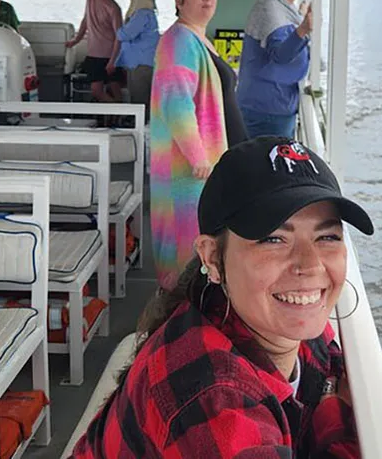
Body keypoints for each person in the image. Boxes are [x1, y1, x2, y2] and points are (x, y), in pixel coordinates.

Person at [71, 136, 365, 457]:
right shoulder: (213, 399)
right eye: (273, 239)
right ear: (212, 257)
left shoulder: (282, 316)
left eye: (327, 236)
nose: (310, 265)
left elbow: (328, 367)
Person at [147, 0, 247, 290]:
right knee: (187, 258)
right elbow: (177, 101)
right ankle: (180, 326)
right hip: (189, 175)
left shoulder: (197, 37)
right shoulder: (177, 41)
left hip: (210, 168)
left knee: (204, 252)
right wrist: (198, 158)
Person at [238, 0, 315, 139]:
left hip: (275, 106)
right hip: (266, 112)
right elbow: (280, 55)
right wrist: (303, 28)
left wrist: (301, 20)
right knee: (269, 167)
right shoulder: (270, 9)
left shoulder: (283, 7)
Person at [66, 0, 124, 105]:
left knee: (112, 88)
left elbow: (119, 36)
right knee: (97, 90)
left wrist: (113, 61)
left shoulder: (113, 7)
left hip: (109, 55)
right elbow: (86, 20)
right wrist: (76, 40)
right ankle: (117, 113)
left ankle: (120, 114)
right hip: (93, 54)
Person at [116, 0, 161, 113]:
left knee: (140, 102)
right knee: (143, 100)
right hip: (143, 62)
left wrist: (118, 28)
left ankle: (143, 130)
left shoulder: (141, 15)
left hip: (140, 65)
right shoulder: (148, 13)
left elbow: (124, 35)